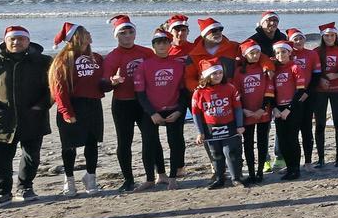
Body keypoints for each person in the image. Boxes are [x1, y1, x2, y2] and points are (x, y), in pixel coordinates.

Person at [0, 25, 53, 203]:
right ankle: (2, 191)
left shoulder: (43, 62)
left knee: (31, 157)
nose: (16, 42)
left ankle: (25, 187)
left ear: (28, 41)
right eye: (12, 39)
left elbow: (55, 87)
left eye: (21, 39)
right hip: (1, 121)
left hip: (33, 119)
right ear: (5, 41)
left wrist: (41, 107)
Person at [49, 23, 109, 196]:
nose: (90, 34)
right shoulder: (63, 59)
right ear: (77, 37)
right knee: (69, 146)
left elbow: (101, 85)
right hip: (72, 105)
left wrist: (112, 83)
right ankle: (69, 180)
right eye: (86, 33)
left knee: (92, 143)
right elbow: (58, 89)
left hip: (93, 105)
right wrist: (66, 111)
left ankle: (90, 177)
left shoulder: (96, 57)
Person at [102, 15, 157, 192]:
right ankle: (128, 179)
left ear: (135, 33)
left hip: (144, 104)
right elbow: (103, 84)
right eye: (123, 33)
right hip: (122, 104)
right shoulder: (112, 57)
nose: (127, 35)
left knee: (150, 139)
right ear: (116, 36)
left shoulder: (146, 52)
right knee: (124, 143)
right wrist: (113, 81)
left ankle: (153, 176)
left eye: (130, 31)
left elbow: (156, 75)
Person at [134, 28, 188, 190]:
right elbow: (140, 93)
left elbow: (184, 92)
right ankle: (151, 178)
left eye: (165, 43)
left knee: (175, 143)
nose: (162, 46)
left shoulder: (178, 65)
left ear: (170, 45)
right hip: (151, 111)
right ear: (153, 46)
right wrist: (152, 113)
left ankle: (172, 178)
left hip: (173, 109)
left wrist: (179, 110)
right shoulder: (144, 66)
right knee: (149, 142)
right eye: (159, 43)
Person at [191, 59, 245, 189]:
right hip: (210, 129)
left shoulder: (230, 88)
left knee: (231, 152)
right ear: (207, 76)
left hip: (229, 126)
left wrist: (239, 125)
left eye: (220, 73)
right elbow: (196, 114)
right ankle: (220, 178)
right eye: (214, 74)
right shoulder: (199, 92)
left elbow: (238, 108)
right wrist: (200, 132)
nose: (218, 76)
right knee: (216, 155)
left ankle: (236, 178)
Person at [234, 39, 275, 185]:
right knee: (248, 143)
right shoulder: (239, 72)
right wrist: (244, 110)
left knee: (263, 142)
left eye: (258, 52)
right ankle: (251, 172)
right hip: (247, 113)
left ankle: (260, 172)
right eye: (252, 53)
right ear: (245, 55)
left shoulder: (264, 69)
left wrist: (262, 109)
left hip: (263, 111)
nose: (256, 55)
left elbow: (270, 89)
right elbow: (236, 93)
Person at [313, 22, 338, 167]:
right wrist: (321, 79)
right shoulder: (316, 51)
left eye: (332, 35)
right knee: (320, 124)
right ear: (322, 37)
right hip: (320, 92)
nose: (329, 38)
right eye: (327, 36)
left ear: (336, 36)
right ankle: (321, 158)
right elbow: (312, 72)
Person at [271, 41, 308, 180]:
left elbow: (300, 91)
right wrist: (274, 108)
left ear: (289, 53)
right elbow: (270, 91)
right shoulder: (274, 69)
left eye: (284, 52)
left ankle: (295, 169)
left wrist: (289, 108)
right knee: (282, 139)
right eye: (278, 52)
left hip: (293, 108)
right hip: (278, 109)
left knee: (292, 139)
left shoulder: (295, 67)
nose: (281, 55)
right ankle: (289, 168)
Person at [286, 28, 321, 174]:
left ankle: (308, 162)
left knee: (306, 130)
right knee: (291, 133)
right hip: (290, 99)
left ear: (305, 39)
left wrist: (307, 92)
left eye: (301, 38)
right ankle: (292, 163)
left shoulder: (312, 54)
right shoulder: (286, 55)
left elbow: (317, 76)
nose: (298, 41)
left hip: (307, 97)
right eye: (295, 39)